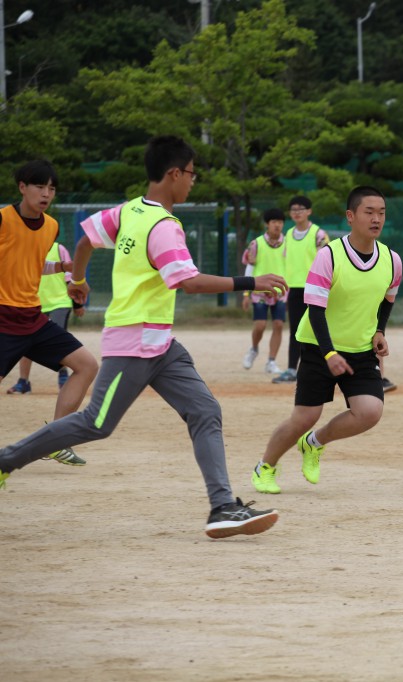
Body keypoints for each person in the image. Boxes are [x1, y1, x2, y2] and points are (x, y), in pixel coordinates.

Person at [0, 136, 285, 539]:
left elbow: (85, 240)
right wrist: (252, 281)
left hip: (161, 343)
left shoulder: (129, 209)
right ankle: (6, 461)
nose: (193, 181)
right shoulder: (164, 227)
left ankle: (222, 507)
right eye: (192, 173)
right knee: (96, 423)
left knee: (204, 410)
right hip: (133, 341)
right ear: (174, 173)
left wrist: (77, 280)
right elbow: (186, 281)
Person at [251, 186, 402, 494]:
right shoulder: (329, 255)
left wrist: (380, 331)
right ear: (351, 216)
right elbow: (315, 310)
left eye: (381, 213)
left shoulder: (392, 259)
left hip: (360, 349)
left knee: (370, 412)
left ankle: (314, 443)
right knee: (305, 417)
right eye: (369, 212)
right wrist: (329, 353)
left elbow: (388, 299)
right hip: (319, 347)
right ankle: (265, 466)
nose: (376, 219)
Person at [0, 160, 98, 466]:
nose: (46, 194)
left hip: (33, 318)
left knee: (87, 365)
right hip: (3, 319)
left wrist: (64, 268)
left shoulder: (51, 226)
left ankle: (54, 440)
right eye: (40, 186)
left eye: (52, 188)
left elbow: (33, 264)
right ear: (22, 188)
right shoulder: (3, 219)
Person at [7, 240, 86, 394]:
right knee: (26, 341)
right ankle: (23, 382)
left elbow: (70, 276)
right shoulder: (27, 247)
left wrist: (77, 305)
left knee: (58, 341)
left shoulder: (59, 249)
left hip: (59, 302)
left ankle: (63, 375)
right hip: (34, 302)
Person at [271, 196, 329, 384]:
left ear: (309, 211)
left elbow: (328, 261)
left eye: (301, 209)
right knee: (295, 331)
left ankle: (323, 369)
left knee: (318, 329)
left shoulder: (318, 234)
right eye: (293, 209)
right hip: (294, 289)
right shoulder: (288, 234)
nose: (297, 212)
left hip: (315, 289)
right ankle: (291, 370)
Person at [241, 208, 287, 374]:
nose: (277, 225)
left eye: (280, 222)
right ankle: (254, 348)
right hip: (259, 291)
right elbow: (249, 268)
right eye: (274, 222)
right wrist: (246, 293)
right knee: (260, 325)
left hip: (280, 292)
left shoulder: (288, 244)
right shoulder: (256, 244)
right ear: (267, 224)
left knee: (279, 324)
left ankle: (271, 361)